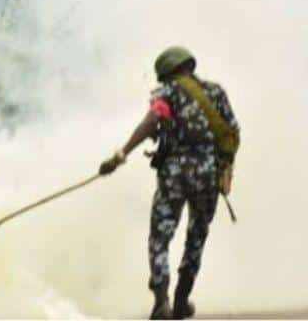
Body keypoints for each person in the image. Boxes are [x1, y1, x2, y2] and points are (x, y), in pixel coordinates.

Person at [99, 47, 239, 319]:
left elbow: (154, 119)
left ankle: (161, 301)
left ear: (165, 74)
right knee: (196, 237)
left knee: (160, 238)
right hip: (208, 176)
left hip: (174, 176)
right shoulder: (216, 92)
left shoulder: (166, 94)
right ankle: (181, 301)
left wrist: (121, 154)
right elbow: (233, 132)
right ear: (189, 66)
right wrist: (224, 167)